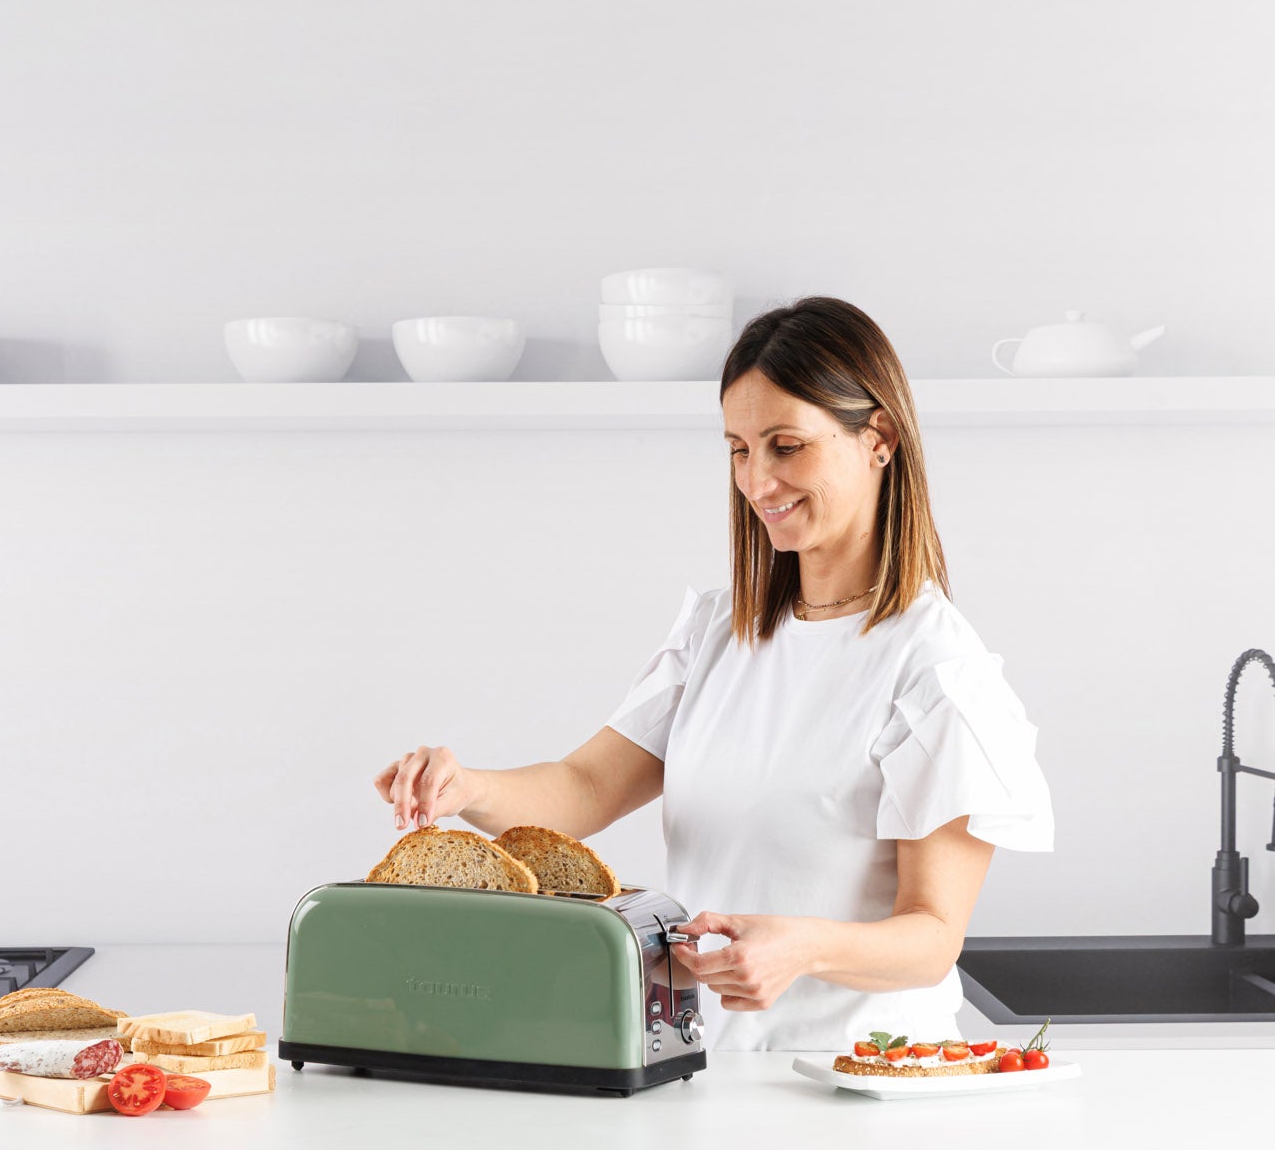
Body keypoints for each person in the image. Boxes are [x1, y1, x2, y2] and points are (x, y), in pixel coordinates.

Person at [374, 295, 1053, 1049]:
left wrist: (804, 948)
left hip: (860, 1076)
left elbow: (932, 936)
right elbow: (585, 788)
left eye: (786, 446)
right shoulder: (717, 631)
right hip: (707, 1067)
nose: (757, 481)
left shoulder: (936, 670)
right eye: (738, 449)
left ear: (879, 440)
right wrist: (467, 787)